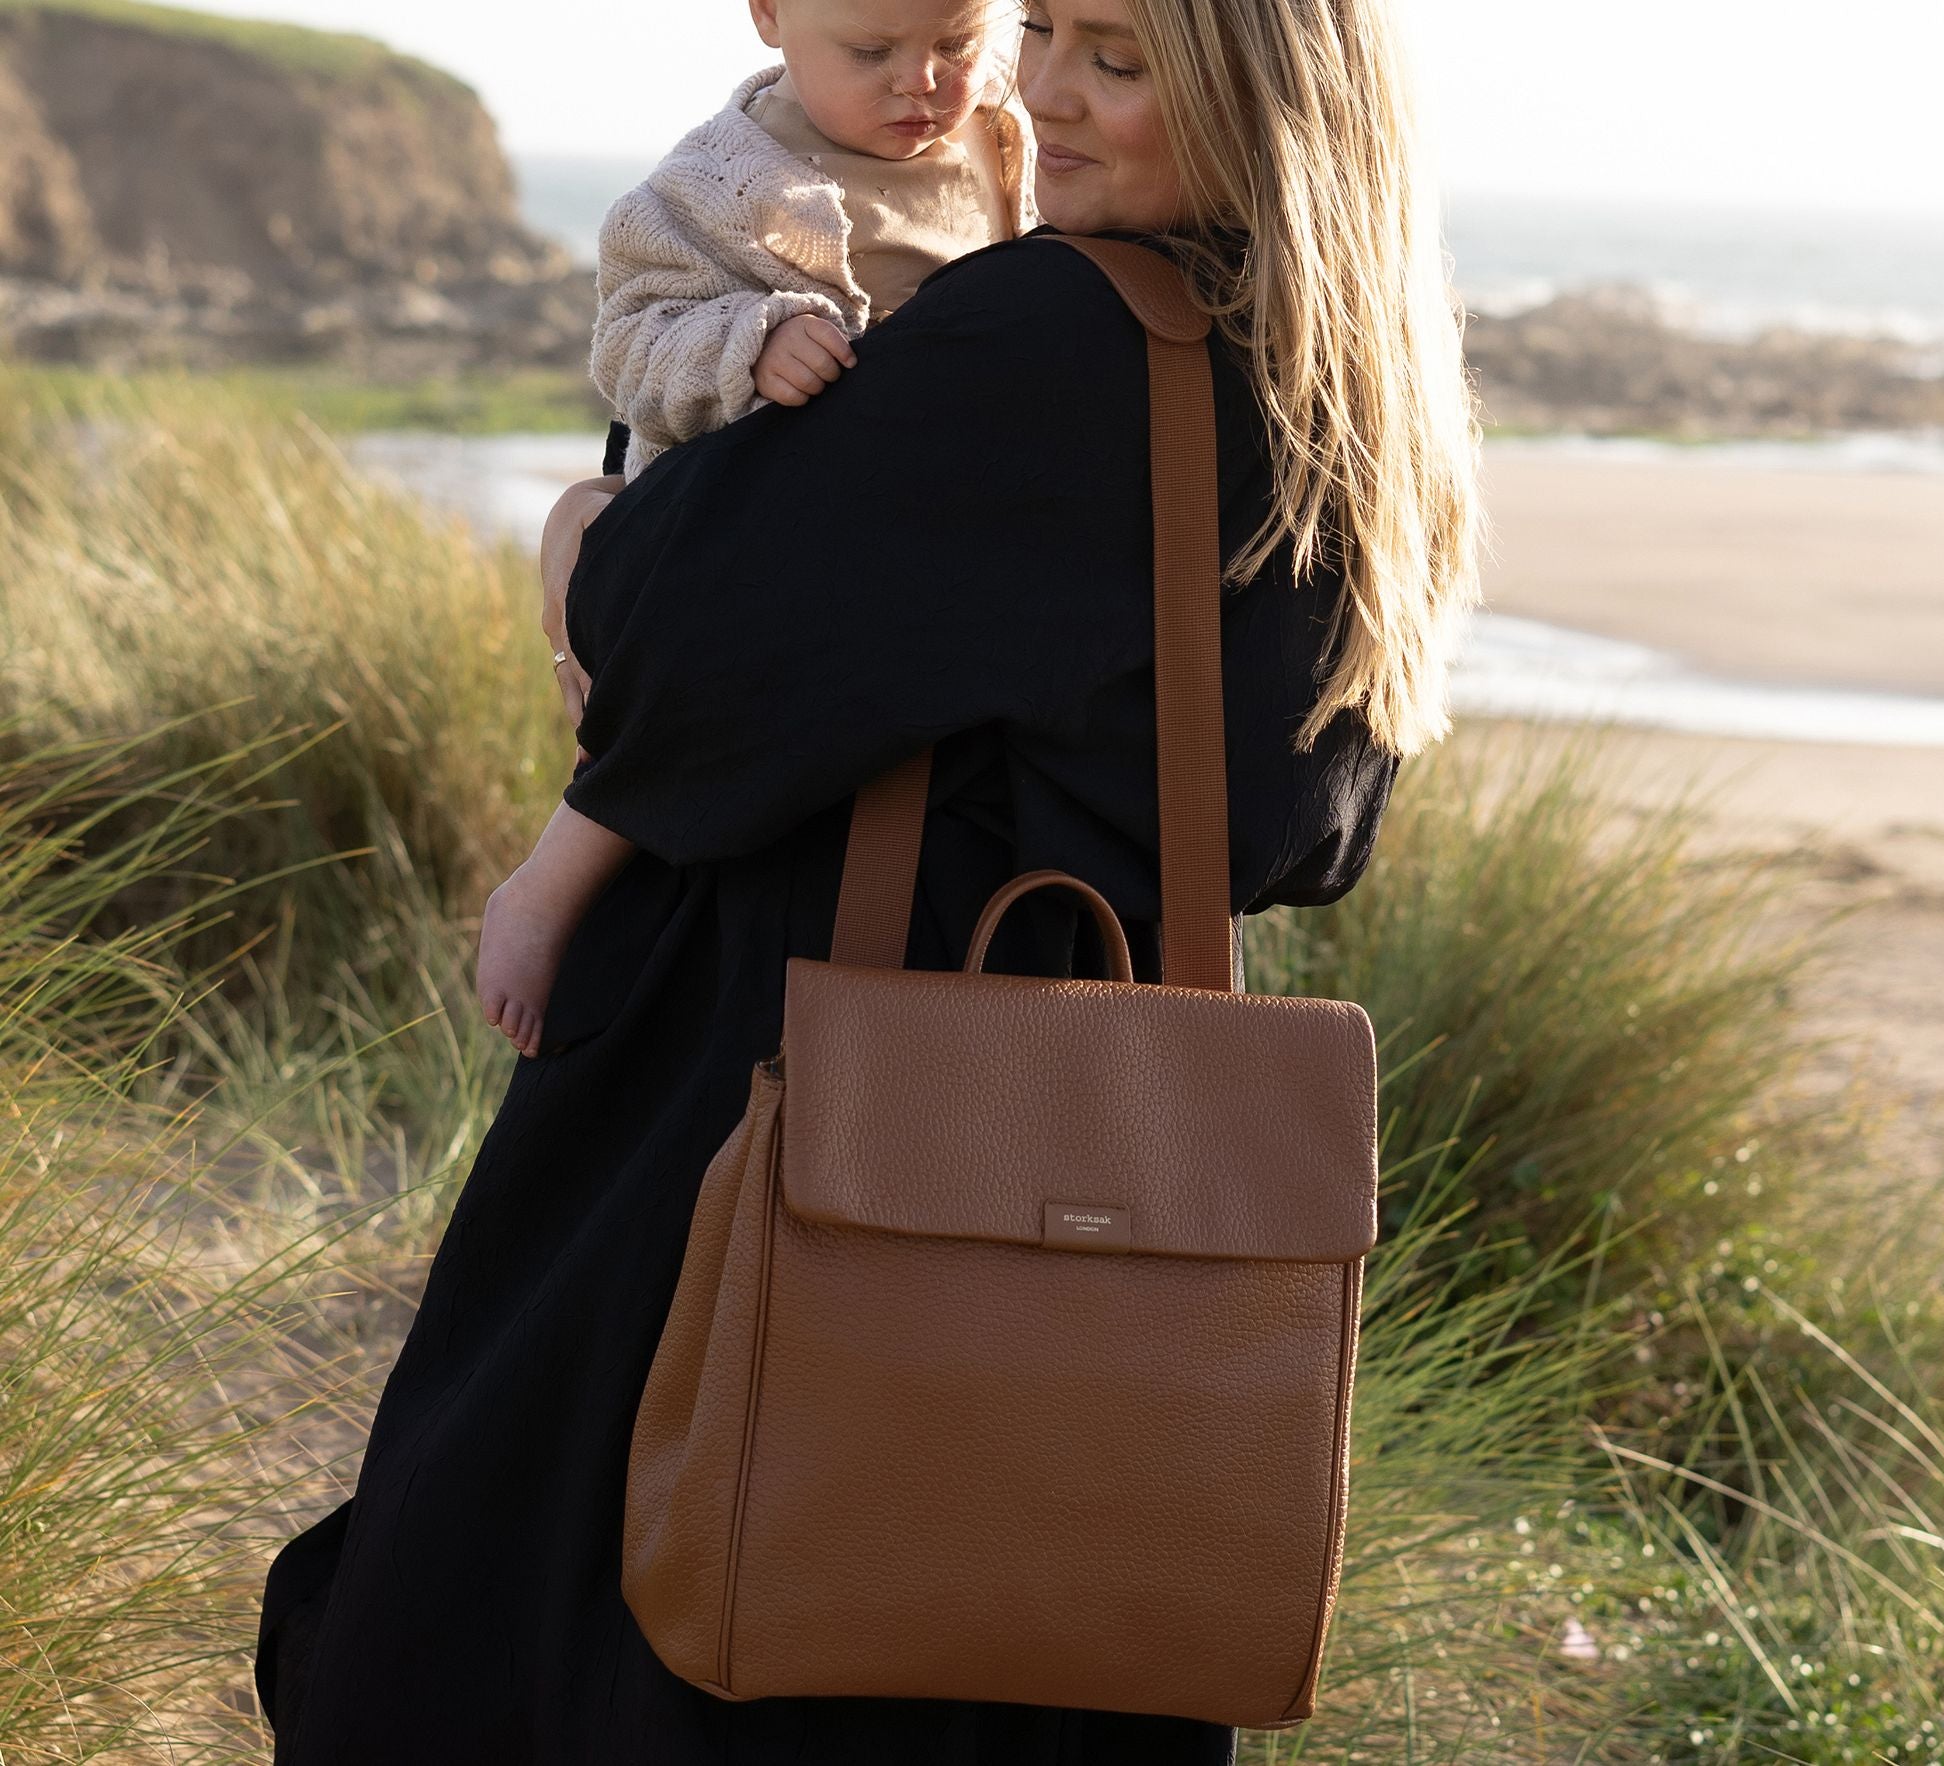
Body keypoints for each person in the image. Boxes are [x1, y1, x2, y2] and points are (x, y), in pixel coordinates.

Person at [252, 0, 1486, 1759]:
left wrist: (580, 548)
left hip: (785, 1103)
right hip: (1103, 1185)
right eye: (1047, 24)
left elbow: (685, 637)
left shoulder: (1053, 333)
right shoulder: (1333, 381)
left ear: (1271, 107)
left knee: (537, 1616)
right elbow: (1311, 830)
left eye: (1118, 61)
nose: (1036, 91)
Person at [478, 0, 1037, 1055]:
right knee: (692, 694)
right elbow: (630, 340)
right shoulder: (718, 182)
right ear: (771, 15)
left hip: (912, 520)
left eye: (957, 43)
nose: (921, 82)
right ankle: (550, 883)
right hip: (732, 520)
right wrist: (750, 337)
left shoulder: (1005, 132)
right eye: (871, 53)